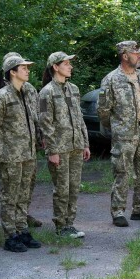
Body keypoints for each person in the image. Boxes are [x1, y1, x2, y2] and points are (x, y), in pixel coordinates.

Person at [0, 54, 43, 253]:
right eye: (23, 67)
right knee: (10, 195)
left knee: (24, 194)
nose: (28, 70)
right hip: (10, 154)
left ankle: (22, 229)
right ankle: (10, 234)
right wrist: (2, 145)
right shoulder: (0, 96)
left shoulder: (29, 92)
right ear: (12, 72)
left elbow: (36, 120)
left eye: (28, 67)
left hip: (28, 152)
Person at [98, 40, 140, 226]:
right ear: (125, 56)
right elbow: (103, 110)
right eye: (135, 53)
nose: (139, 55)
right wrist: (117, 127)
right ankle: (118, 212)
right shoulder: (112, 79)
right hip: (125, 134)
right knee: (122, 173)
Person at [38, 52, 90, 239]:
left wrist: (85, 143)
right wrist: (52, 150)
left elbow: (79, 118)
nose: (70, 67)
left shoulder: (73, 89)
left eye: (70, 64)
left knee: (74, 187)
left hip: (76, 146)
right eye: (66, 64)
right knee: (61, 188)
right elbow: (45, 123)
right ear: (55, 67)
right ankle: (61, 225)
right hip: (59, 148)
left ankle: (70, 223)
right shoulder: (46, 93)